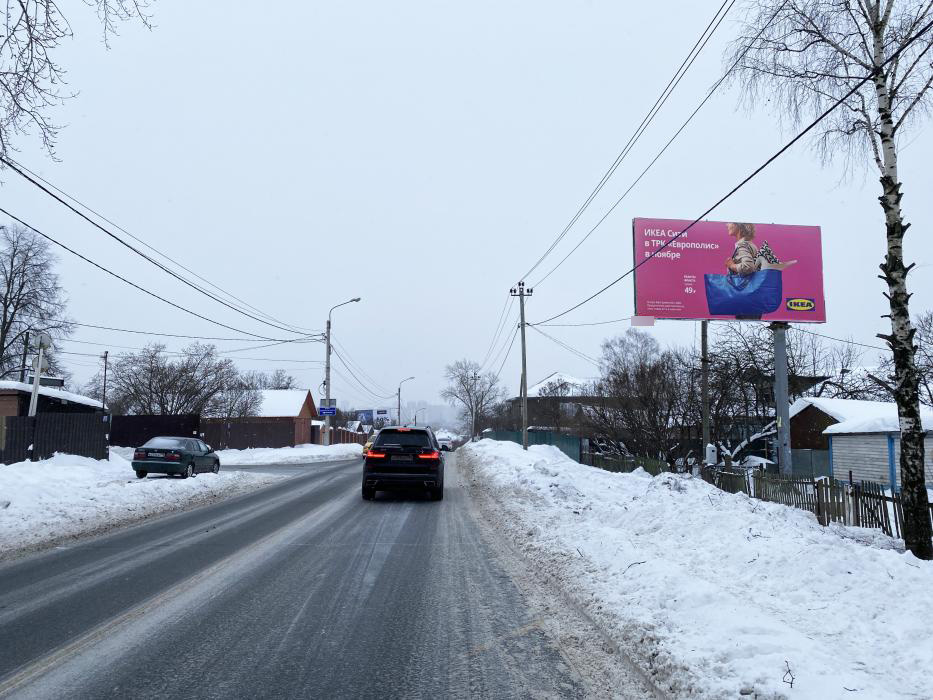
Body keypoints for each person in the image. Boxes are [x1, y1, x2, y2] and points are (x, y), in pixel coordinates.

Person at [725, 222, 796, 275]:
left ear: (738, 225)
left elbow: (748, 267)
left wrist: (732, 265)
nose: (727, 225)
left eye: (729, 222)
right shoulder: (750, 244)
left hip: (744, 288)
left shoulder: (742, 245)